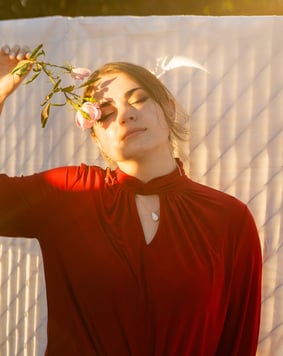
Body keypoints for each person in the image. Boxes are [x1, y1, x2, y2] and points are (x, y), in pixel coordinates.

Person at [0, 45, 262, 356]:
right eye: (106, 112)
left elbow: (238, 342)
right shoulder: (69, 194)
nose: (126, 114)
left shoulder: (229, 218)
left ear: (169, 107)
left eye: (138, 99)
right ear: (97, 137)